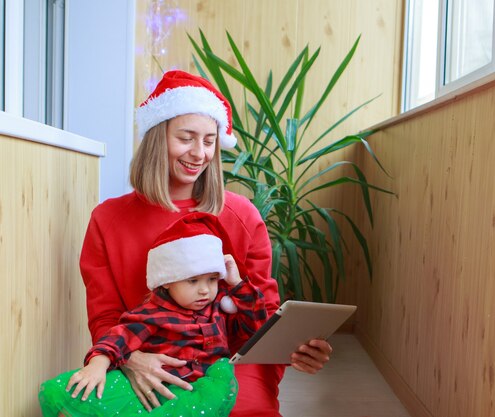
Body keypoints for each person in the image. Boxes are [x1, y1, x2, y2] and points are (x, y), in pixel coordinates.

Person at [78, 70, 333, 416]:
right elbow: (106, 315)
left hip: (228, 363)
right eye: (185, 138)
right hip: (146, 360)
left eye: (210, 141)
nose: (199, 153)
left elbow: (263, 317)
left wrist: (293, 348)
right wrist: (134, 361)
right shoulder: (108, 219)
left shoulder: (242, 215)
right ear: (157, 137)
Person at [39, 212, 266, 416]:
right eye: (193, 280)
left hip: (198, 390)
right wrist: (97, 364)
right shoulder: (154, 314)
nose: (204, 290)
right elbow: (118, 338)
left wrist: (236, 283)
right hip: (157, 383)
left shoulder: (219, 309)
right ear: (166, 282)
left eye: (212, 279)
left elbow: (256, 328)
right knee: (80, 392)